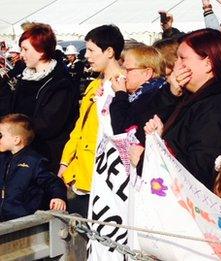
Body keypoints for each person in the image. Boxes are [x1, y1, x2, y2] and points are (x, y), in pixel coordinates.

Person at [144, 28, 221, 190]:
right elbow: (146, 117)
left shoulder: (217, 106)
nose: (176, 65)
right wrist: (172, 93)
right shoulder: (191, 97)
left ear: (208, 63)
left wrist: (158, 152)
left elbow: (204, 168)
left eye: (183, 59)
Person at [58, 25, 124, 217]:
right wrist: (65, 161)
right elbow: (79, 127)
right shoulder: (94, 85)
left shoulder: (123, 86)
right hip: (81, 173)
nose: (87, 56)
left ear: (110, 52)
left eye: (91, 50)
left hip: (106, 176)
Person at [5, 23, 79, 173]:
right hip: (20, 151)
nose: (21, 54)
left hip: (45, 157)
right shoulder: (25, 77)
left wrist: (16, 133)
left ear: (41, 51)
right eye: (21, 49)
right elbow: (12, 109)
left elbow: (49, 124)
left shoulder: (60, 82)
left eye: (25, 49)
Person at [109, 45, 181, 146]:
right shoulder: (140, 94)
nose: (123, 75)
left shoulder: (151, 98)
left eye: (127, 70)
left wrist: (120, 95)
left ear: (147, 73)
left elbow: (122, 131)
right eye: (122, 69)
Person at [0, 114, 67, 221]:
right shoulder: (3, 158)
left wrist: (59, 197)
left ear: (16, 140)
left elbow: (53, 182)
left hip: (22, 220)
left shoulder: (34, 161)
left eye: (1, 135)